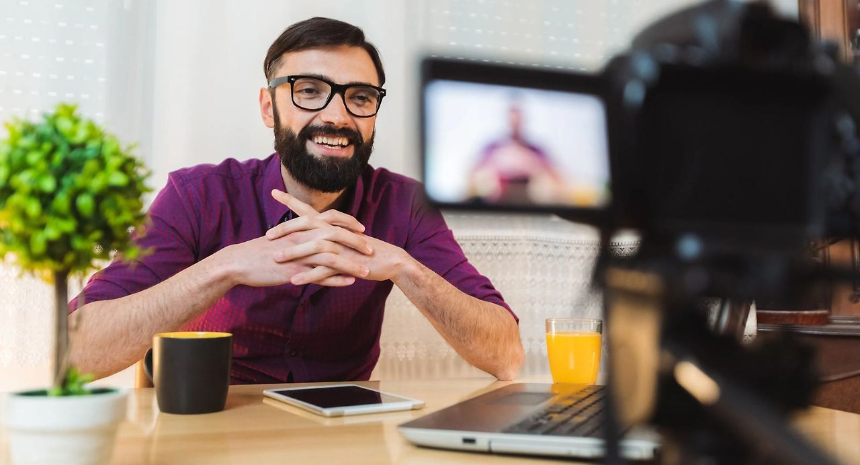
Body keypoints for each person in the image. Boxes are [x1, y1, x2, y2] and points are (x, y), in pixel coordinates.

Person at [69, 17, 524, 384]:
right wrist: (226, 267)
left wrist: (404, 267)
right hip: (210, 425)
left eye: (360, 97)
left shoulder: (406, 204)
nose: (337, 116)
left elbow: (507, 357)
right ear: (269, 108)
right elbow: (73, 353)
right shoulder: (197, 196)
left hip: (339, 434)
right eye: (309, 91)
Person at [467, 101, 565, 204]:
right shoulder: (493, 148)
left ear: (522, 121)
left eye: (517, 120)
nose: (514, 124)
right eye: (512, 121)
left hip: (527, 201)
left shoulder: (534, 150)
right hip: (498, 201)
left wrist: (534, 167)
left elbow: (557, 178)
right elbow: (472, 174)